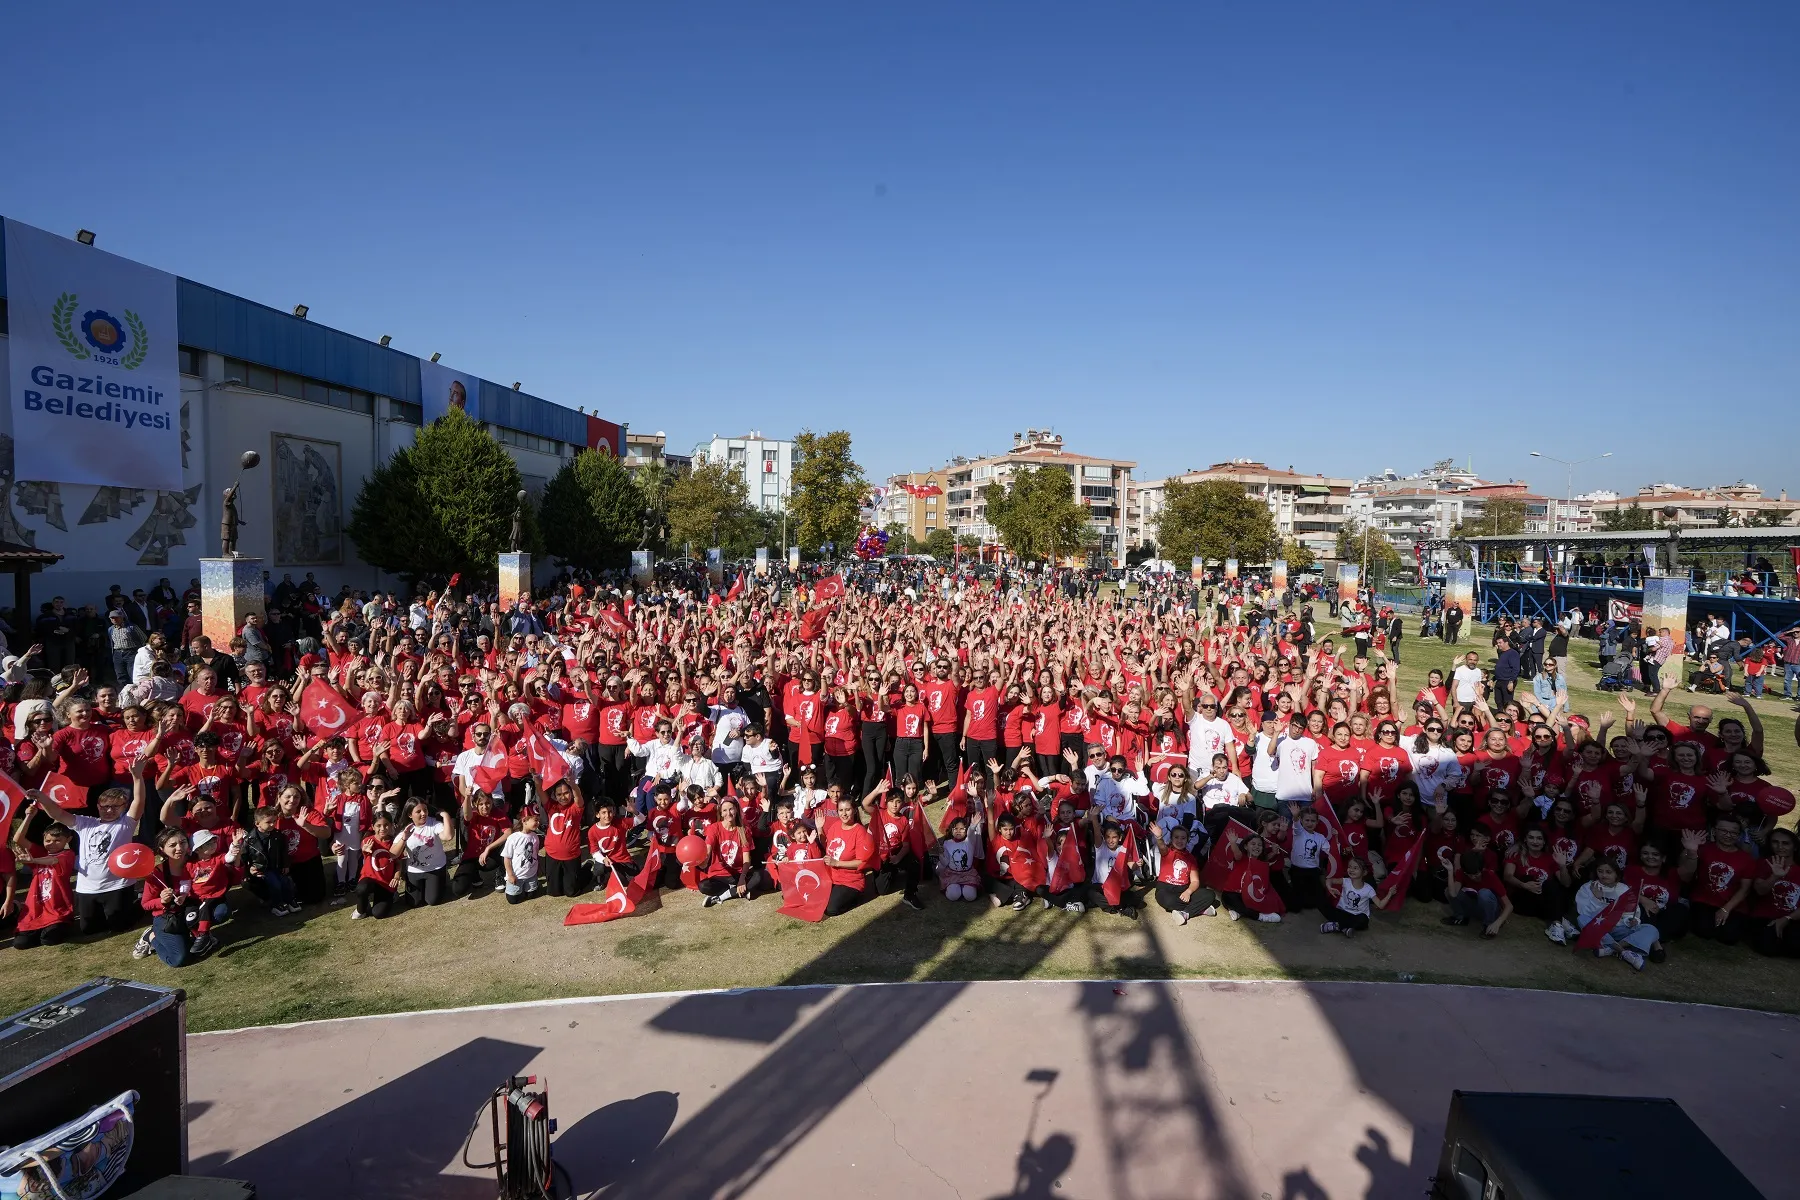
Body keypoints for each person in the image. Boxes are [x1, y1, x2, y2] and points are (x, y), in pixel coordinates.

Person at [503, 809, 544, 904]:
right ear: (524, 820)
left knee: (532, 896)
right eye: (535, 820)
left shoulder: (535, 837)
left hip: (531, 874)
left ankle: (530, 886)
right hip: (517, 876)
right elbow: (507, 858)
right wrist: (510, 875)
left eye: (538, 820)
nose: (538, 823)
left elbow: (535, 854)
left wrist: (539, 868)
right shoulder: (513, 838)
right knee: (513, 900)